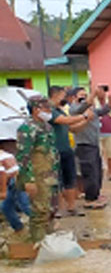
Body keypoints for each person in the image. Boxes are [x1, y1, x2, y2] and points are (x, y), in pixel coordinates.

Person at [14, 95, 59, 242]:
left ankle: (49, 241)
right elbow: (23, 157)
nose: (50, 111)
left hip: (51, 175)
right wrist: (28, 180)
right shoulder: (27, 129)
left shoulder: (48, 127)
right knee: (39, 211)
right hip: (37, 176)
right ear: (36, 109)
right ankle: (38, 244)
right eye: (46, 108)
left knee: (51, 210)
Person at [47, 85, 90, 217]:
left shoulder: (60, 110)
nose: (64, 98)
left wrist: (87, 120)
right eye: (62, 95)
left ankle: (71, 207)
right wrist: (84, 116)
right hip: (55, 151)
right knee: (58, 181)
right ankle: (59, 208)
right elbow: (65, 121)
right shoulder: (49, 111)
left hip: (67, 149)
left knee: (70, 179)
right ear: (55, 95)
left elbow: (72, 128)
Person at [69, 86, 111, 209]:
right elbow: (81, 108)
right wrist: (92, 95)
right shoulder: (75, 109)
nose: (85, 97)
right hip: (84, 146)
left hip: (93, 144)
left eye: (86, 94)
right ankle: (90, 199)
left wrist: (110, 103)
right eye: (81, 95)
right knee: (89, 173)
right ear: (74, 98)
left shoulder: (90, 109)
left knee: (97, 172)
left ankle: (95, 195)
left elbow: (103, 111)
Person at [1, 143, 31, 234]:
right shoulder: (5, 154)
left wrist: (3, 190)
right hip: (16, 177)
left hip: (14, 179)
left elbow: (2, 174)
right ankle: (19, 228)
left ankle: (41, 224)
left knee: (24, 205)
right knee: (6, 207)